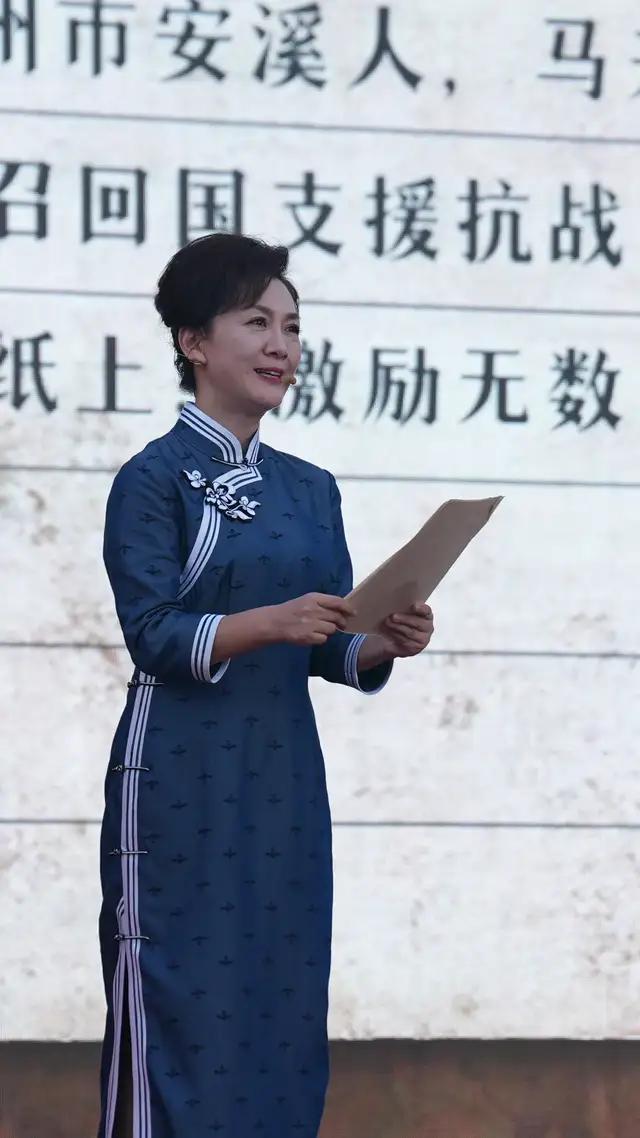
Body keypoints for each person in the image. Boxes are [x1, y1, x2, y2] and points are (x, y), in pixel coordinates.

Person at [96, 232, 434, 1138]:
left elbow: (328, 644)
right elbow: (154, 634)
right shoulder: (154, 479)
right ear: (194, 342)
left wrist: (382, 641)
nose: (281, 344)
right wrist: (269, 622)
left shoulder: (311, 488)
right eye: (256, 322)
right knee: (178, 1008)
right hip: (179, 779)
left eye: (291, 326)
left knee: (279, 1004)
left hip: (280, 779)